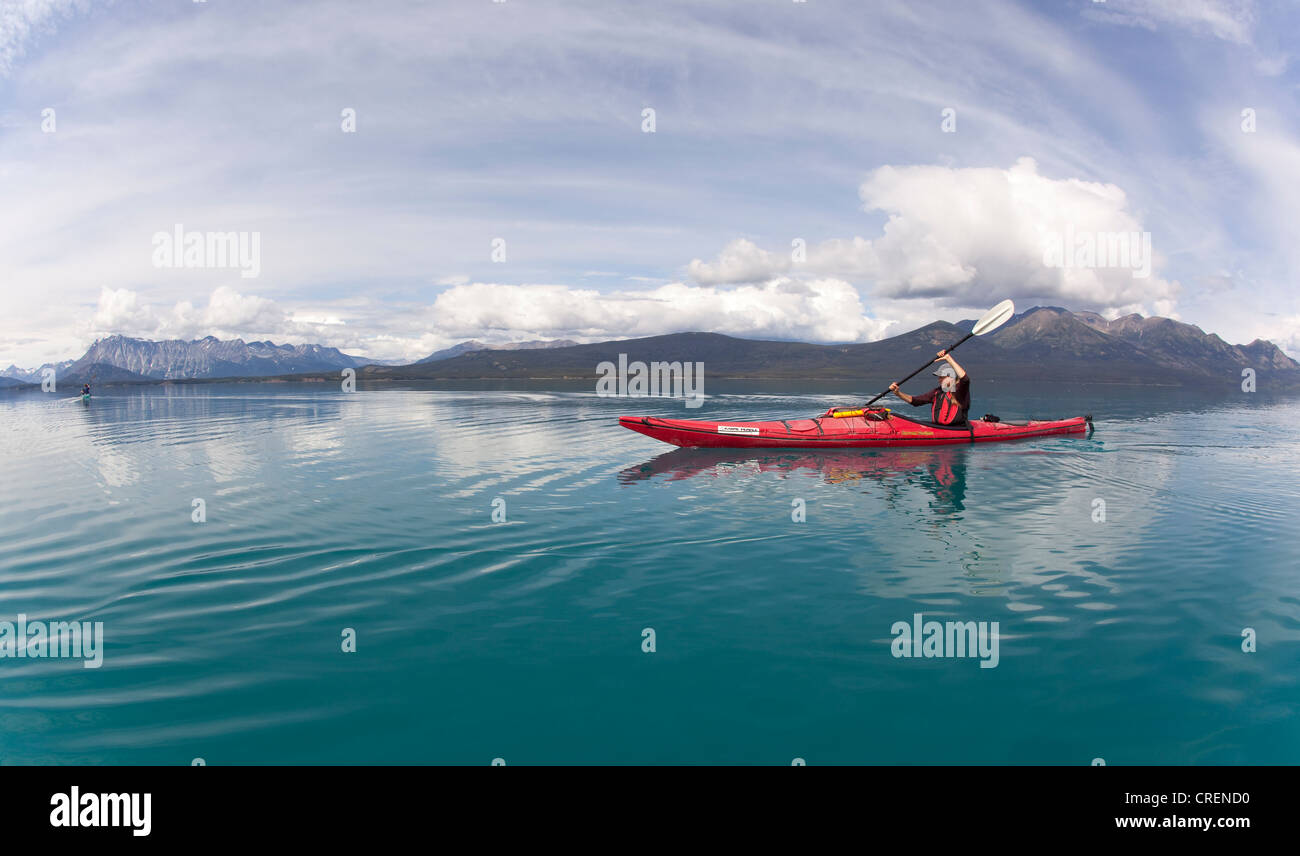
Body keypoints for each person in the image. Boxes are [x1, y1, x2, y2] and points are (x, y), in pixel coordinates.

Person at [889, 350, 969, 427]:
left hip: (957, 429)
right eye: (939, 377)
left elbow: (965, 379)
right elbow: (916, 401)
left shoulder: (960, 390)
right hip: (938, 427)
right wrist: (898, 393)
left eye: (942, 377)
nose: (939, 380)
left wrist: (948, 358)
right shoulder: (937, 391)